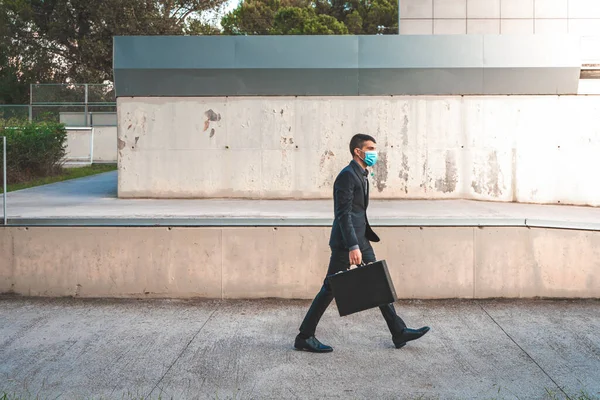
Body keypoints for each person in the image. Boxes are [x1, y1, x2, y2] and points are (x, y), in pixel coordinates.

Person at [294, 133, 430, 352]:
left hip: (361, 239)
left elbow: (358, 212)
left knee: (379, 280)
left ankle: (398, 331)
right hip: (346, 243)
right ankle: (305, 336)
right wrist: (353, 246)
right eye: (370, 149)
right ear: (358, 151)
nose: (374, 153)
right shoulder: (347, 176)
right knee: (329, 288)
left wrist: (361, 241)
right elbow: (343, 214)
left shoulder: (362, 174)